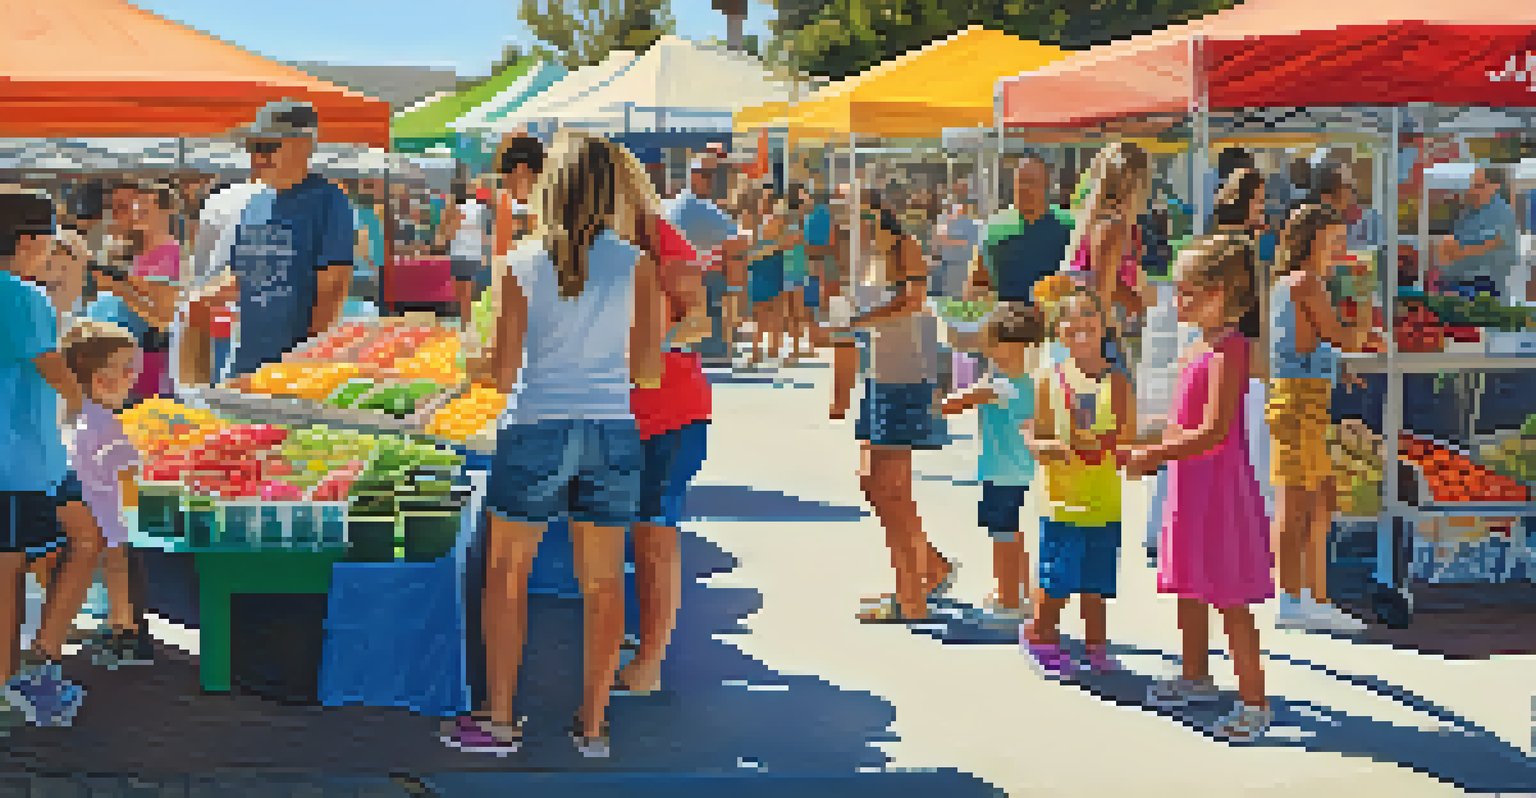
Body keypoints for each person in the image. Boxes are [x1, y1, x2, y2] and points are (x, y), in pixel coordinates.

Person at [442, 132, 664, 758]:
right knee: (603, 583)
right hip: (611, 429)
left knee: (506, 575)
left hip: (535, 423)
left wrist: (472, 364)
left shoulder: (520, 261)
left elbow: (505, 372)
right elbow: (647, 371)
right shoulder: (636, 262)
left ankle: (501, 719)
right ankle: (593, 726)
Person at [1125, 234, 1275, 742]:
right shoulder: (1199, 346)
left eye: (1187, 292)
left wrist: (1153, 454)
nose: (1177, 300)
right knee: (1188, 584)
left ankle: (1253, 701)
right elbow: (1181, 421)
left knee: (1230, 597)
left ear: (1221, 294)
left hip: (1219, 490)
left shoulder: (1231, 349)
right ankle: (1196, 675)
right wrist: (1144, 443)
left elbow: (1213, 432)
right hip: (1190, 485)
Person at [618, 158, 715, 696]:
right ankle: (642, 644)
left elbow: (701, 319)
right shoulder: (604, 245)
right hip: (631, 415)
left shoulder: (663, 241)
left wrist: (653, 346)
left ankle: (651, 663)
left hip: (669, 413)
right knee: (637, 536)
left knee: (655, 538)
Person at [0, 190, 97, 726]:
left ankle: (41, 661)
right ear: (30, 241)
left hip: (41, 459)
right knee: (8, 575)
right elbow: (56, 372)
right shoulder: (23, 296)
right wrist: (94, 409)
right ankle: (11, 689)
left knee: (86, 538)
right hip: (17, 464)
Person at [190, 101, 354, 382]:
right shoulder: (253, 201)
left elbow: (333, 288)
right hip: (243, 362)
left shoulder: (329, 200)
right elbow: (242, 275)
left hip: (295, 367)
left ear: (303, 146)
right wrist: (194, 299)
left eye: (268, 147)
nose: (257, 156)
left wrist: (309, 363)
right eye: (253, 147)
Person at [850, 190, 953, 624]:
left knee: (889, 491)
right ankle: (927, 569)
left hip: (907, 375)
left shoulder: (903, 247)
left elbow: (912, 302)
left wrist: (855, 322)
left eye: (859, 210)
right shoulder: (863, 253)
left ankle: (912, 597)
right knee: (875, 485)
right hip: (878, 375)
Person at [1020, 287, 1134, 678]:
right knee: (1057, 579)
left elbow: (1127, 439)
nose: (1081, 323)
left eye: (1090, 314)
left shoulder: (1118, 382)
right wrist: (1061, 447)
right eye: (1072, 318)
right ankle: (1040, 635)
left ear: (1104, 326)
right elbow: (1037, 440)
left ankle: (1096, 645)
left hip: (1104, 502)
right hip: (1062, 502)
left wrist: (1111, 446)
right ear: (1059, 331)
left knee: (1097, 583)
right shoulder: (1048, 381)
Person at [1268, 205, 1370, 633]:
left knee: (1321, 498)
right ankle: (1291, 600)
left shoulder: (1292, 283)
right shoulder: (1307, 283)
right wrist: (1364, 311)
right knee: (1296, 506)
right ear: (1312, 242)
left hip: (1305, 401)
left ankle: (1313, 595)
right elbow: (1342, 336)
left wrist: (1337, 360)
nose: (1340, 249)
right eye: (1333, 240)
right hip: (1297, 403)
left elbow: (1310, 344)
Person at [940, 302, 1046, 621]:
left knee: (1001, 535)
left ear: (1007, 347)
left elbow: (950, 405)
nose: (984, 348)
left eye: (988, 342)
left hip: (1000, 472)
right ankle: (1022, 593)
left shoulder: (995, 386)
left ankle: (1008, 600)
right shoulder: (1029, 383)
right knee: (1012, 533)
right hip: (1019, 471)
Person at [59, 320, 155, 667]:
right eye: (128, 369)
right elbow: (125, 471)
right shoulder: (105, 424)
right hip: (110, 518)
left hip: (81, 515)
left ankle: (108, 631)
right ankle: (125, 634)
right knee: (120, 574)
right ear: (101, 379)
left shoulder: (73, 417)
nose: (134, 378)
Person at [1062, 142, 1154, 370]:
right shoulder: (1112, 227)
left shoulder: (1103, 223)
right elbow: (1101, 295)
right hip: (1102, 341)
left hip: (1095, 335)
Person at [664, 153, 740, 366]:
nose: (713, 182)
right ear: (695, 177)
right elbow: (736, 239)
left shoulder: (671, 205)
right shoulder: (700, 207)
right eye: (709, 176)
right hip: (698, 282)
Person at [967, 156, 1073, 306]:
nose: (1024, 188)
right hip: (1008, 320)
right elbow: (977, 282)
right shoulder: (994, 227)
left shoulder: (1069, 225)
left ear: (1046, 185)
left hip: (1054, 319)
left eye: (1031, 182)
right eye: (1020, 182)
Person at [1436, 167, 1522, 300]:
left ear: (1494, 187)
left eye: (1478, 186)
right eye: (1471, 186)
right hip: (1460, 285)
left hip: (1488, 288)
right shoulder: (1468, 213)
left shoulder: (1501, 212)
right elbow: (1447, 250)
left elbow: (1488, 247)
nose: (1472, 191)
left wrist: (1458, 252)